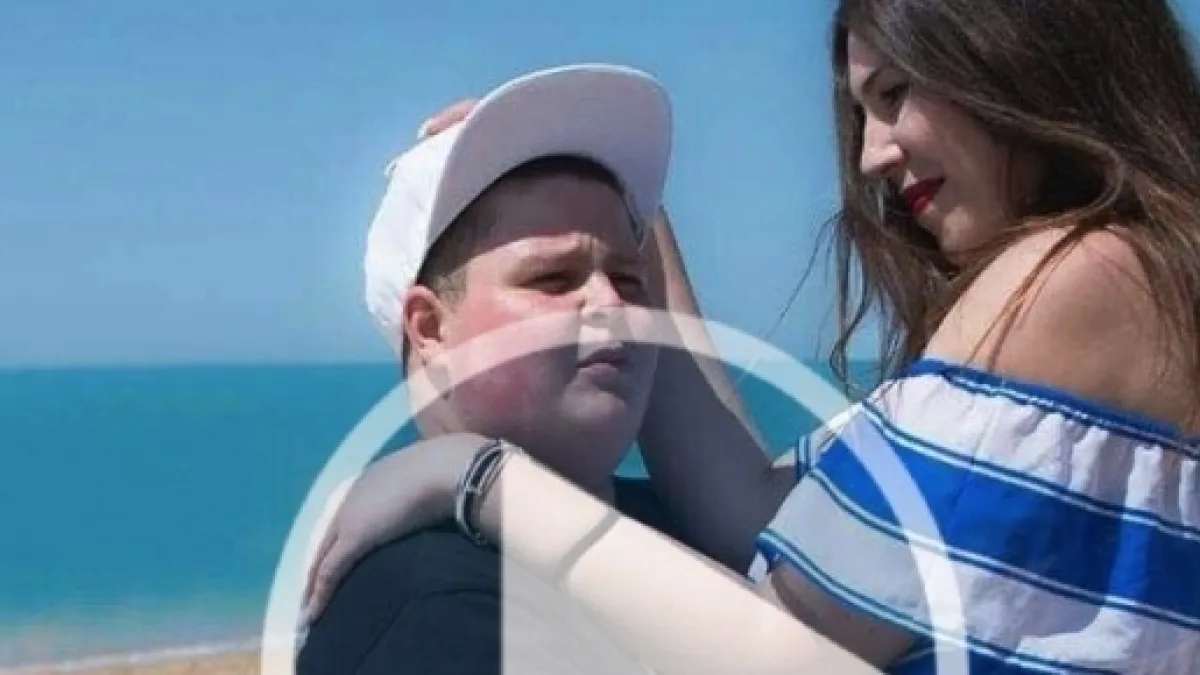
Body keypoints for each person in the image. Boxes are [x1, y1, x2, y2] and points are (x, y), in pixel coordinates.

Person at [304, 0, 1200, 672]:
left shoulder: (1076, 276)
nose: (871, 156)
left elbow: (790, 643)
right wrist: (620, 200)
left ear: (1018, 50)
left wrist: (475, 480)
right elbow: (761, 519)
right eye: (553, 275)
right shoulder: (1138, 279)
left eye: (894, 94)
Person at [297, 63, 695, 674]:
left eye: (628, 278)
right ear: (430, 329)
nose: (611, 303)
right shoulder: (430, 617)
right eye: (553, 279)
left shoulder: (678, 526)